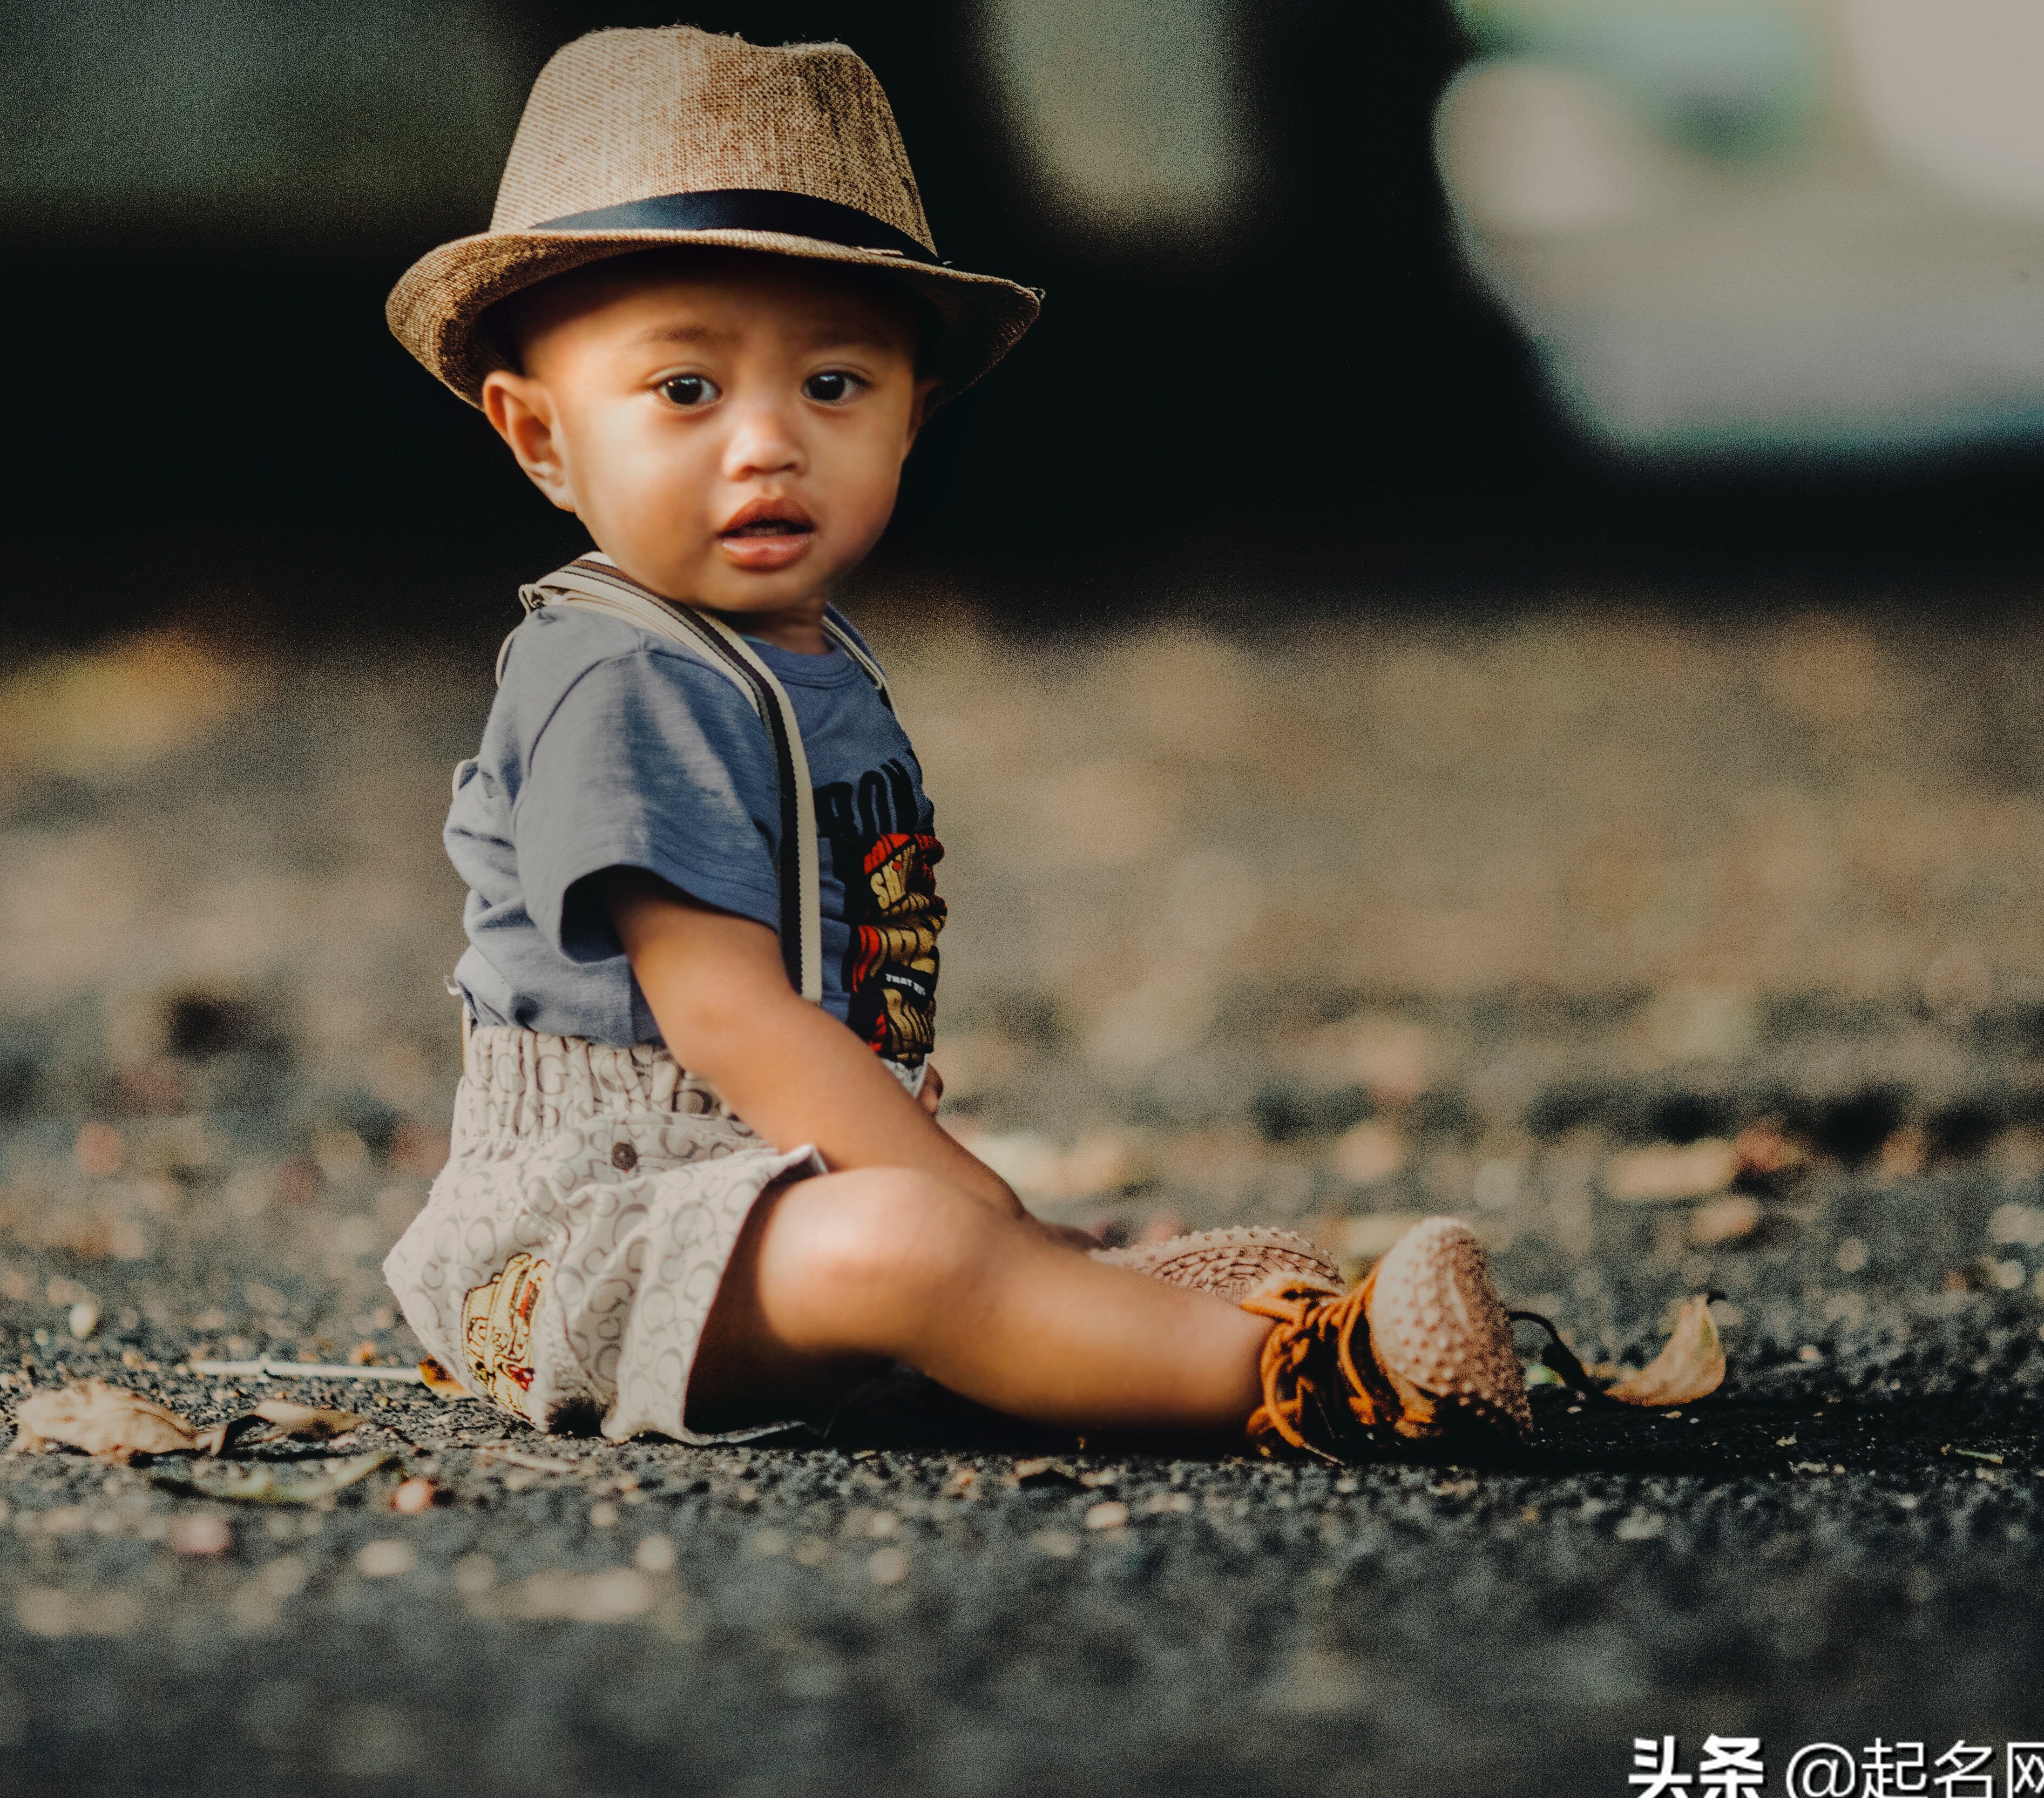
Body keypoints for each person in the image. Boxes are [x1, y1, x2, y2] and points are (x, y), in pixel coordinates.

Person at [378, 25, 1533, 1461]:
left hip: (761, 1193)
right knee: (913, 1248)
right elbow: (726, 1014)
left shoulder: (811, 666)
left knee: (929, 1239)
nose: (766, 444)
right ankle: (1304, 1377)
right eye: (686, 390)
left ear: (912, 416)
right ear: (540, 438)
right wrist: (967, 1201)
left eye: (835, 387)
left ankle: (1078, 1321)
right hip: (584, 1253)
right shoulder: (613, 676)